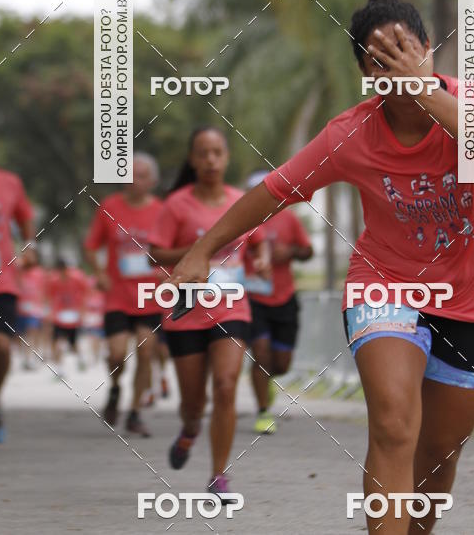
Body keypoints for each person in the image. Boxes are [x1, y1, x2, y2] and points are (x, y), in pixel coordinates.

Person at [167, 0, 474, 535]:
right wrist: (201, 251)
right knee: (394, 426)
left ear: (428, 48)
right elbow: (273, 192)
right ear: (365, 74)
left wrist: (424, 90)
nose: (395, 68)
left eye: (405, 51)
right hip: (385, 286)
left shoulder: (473, 103)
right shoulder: (352, 134)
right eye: (380, 61)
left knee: (439, 452)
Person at [147, 126, 269, 500]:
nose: (211, 160)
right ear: (192, 159)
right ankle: (189, 430)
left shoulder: (240, 200)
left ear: (227, 157)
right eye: (203, 153)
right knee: (193, 404)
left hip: (231, 305)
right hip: (185, 308)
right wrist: (199, 250)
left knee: (226, 384)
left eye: (217, 152)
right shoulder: (176, 204)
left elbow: (258, 242)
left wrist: (262, 259)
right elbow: (155, 253)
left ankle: (219, 475)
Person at [84, 153, 163, 437]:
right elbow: (91, 246)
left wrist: (167, 271)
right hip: (117, 294)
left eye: (141, 176)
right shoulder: (109, 206)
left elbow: (173, 247)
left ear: (152, 181)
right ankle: (116, 387)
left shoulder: (162, 211)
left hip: (149, 294)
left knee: (146, 350)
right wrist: (99, 272)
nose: (134, 181)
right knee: (117, 354)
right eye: (129, 175)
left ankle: (135, 412)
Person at [243, 170, 313, 435]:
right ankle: (263, 411)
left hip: (284, 298)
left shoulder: (289, 218)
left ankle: (265, 379)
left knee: (281, 364)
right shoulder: (243, 220)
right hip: (253, 298)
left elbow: (308, 251)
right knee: (261, 353)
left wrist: (291, 251)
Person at [0, 167, 36, 442]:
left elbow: (25, 218)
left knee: (0, 346)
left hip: (2, 280)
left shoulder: (9, 182)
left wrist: (30, 247)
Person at [48, 259, 89, 371]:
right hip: (59, 316)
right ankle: (59, 369)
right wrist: (51, 312)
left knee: (73, 344)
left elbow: (85, 293)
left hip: (73, 317)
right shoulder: (54, 281)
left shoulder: (77, 278)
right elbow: (50, 296)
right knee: (58, 342)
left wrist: (82, 311)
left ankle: (81, 360)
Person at [16, 259, 48, 369]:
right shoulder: (18, 271)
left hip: (35, 310)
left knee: (32, 332)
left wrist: (45, 306)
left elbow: (44, 290)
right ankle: (24, 356)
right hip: (20, 309)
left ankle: (30, 358)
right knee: (20, 335)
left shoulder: (39, 273)